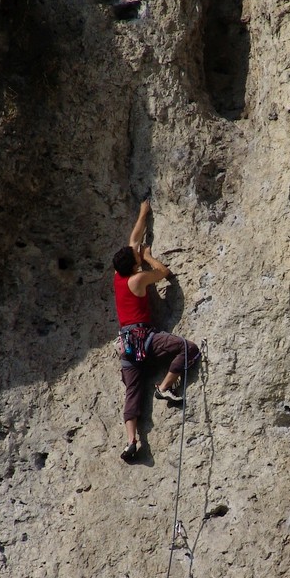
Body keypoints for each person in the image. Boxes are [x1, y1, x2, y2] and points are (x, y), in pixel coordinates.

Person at [112, 197, 201, 462]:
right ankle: (164, 387)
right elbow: (164, 272)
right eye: (138, 256)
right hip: (145, 339)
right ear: (135, 265)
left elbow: (134, 238)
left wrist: (143, 212)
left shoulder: (119, 276)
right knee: (188, 349)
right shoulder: (138, 279)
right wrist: (150, 257)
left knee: (132, 392)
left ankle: (131, 440)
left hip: (126, 344)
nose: (138, 251)